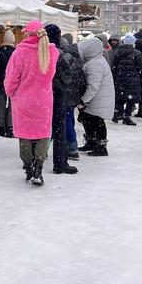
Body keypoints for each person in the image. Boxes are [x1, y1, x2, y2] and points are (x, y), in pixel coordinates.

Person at [4, 21, 59, 185]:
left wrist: (11, 93)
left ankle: (29, 168)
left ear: (28, 34)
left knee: (25, 137)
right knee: (42, 134)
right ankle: (38, 168)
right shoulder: (52, 52)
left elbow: (11, 79)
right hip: (44, 99)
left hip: (24, 100)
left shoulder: (19, 53)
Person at [44, 24, 77, 175]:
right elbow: (67, 76)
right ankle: (60, 163)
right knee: (59, 130)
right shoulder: (57, 53)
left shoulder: (38, 52)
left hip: (40, 95)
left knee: (38, 130)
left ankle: (33, 162)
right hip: (57, 96)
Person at [76, 38, 115, 156]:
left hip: (98, 100)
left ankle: (101, 147)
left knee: (97, 122)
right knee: (88, 120)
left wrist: (83, 100)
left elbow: (93, 87)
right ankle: (91, 142)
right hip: (96, 100)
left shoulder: (95, 64)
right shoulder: (95, 60)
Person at [62, 34, 85, 160]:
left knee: (65, 122)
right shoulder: (77, 58)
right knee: (69, 120)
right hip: (73, 95)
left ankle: (71, 148)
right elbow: (81, 79)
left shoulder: (64, 58)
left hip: (65, 95)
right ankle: (72, 146)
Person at [111, 33, 142, 125]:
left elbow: (114, 66)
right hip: (132, 80)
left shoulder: (117, 52)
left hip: (120, 79)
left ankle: (118, 114)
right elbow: (140, 68)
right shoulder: (137, 53)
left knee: (120, 97)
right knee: (131, 99)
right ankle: (127, 116)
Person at [0, 30, 15, 138]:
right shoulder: (15, 52)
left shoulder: (0, 52)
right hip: (12, 82)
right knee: (12, 105)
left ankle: (1, 126)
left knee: (1, 104)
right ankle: (10, 126)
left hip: (1, 82)